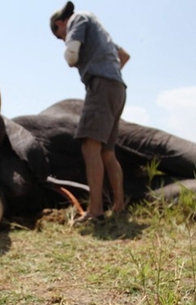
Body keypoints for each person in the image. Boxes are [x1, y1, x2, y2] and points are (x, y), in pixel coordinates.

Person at [50, 1, 130, 222]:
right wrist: (107, 71)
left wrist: (70, 51)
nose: (62, 40)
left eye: (60, 36)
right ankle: (119, 206)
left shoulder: (78, 19)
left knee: (90, 147)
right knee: (107, 152)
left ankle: (95, 211)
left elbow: (71, 56)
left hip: (101, 86)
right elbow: (124, 56)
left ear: (60, 23)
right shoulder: (99, 30)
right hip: (117, 87)